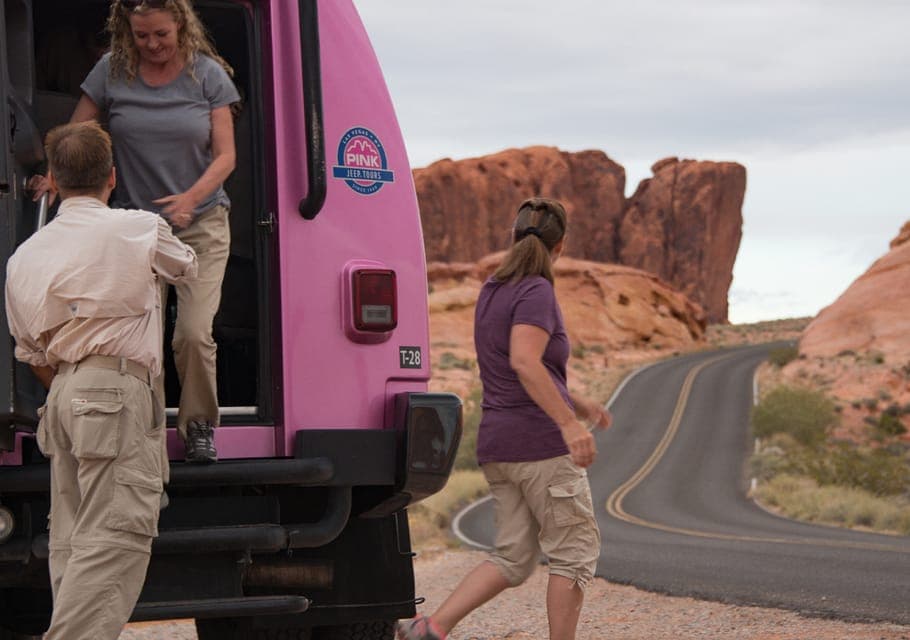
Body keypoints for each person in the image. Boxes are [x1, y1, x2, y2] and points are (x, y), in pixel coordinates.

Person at [5, 121, 198, 640]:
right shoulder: (137, 227)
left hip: (63, 395)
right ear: (112, 177)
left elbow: (30, 351)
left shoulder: (24, 257)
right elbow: (187, 267)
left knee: (72, 540)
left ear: (52, 179)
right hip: (115, 391)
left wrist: (75, 385)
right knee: (116, 538)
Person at [31, 0, 239, 463]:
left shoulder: (207, 76)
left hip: (200, 223)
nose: (152, 45)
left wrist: (189, 198)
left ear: (180, 26)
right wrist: (53, 178)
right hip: (133, 230)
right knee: (141, 339)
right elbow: (74, 132)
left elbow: (226, 157)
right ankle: (146, 432)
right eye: (142, 35)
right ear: (128, 31)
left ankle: (199, 424)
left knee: (191, 333)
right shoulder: (112, 72)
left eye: (161, 35)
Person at [397, 198, 612, 640]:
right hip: (540, 447)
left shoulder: (493, 290)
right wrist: (569, 425)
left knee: (513, 558)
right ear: (561, 247)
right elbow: (525, 362)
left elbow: (527, 366)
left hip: (499, 447)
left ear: (512, 238)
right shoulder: (536, 290)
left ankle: (431, 627)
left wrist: (580, 403)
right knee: (572, 555)